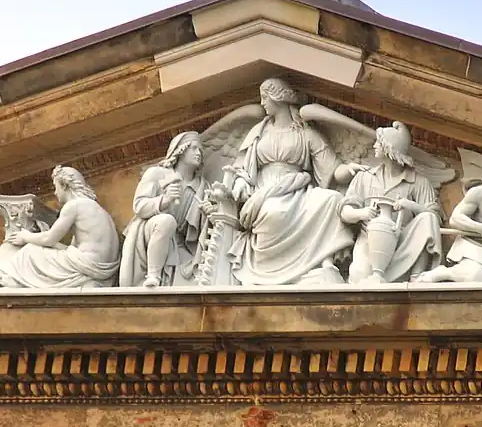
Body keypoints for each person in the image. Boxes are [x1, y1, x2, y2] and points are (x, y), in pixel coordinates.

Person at [226, 78, 366, 285]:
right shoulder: (258, 133)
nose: (262, 103)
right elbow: (240, 167)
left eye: (265, 97)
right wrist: (239, 182)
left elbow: (333, 168)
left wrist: (350, 169)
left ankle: (322, 260)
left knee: (333, 199)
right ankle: (269, 267)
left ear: (278, 98)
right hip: (266, 190)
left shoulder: (306, 133)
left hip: (297, 188)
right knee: (275, 211)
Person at [340, 121, 443, 283]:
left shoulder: (419, 182)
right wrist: (361, 213)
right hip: (370, 243)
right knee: (359, 277)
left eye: (378, 143)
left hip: (404, 245)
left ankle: (417, 276)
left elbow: (434, 219)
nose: (374, 146)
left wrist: (410, 205)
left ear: (389, 148)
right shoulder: (365, 177)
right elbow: (345, 212)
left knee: (427, 217)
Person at [0, 166, 120, 288]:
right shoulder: (97, 209)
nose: (55, 192)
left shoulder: (74, 205)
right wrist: (49, 243)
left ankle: (13, 280)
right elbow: (69, 250)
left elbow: (49, 238)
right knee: (43, 251)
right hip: (100, 267)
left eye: (56, 187)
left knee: (31, 252)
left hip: (88, 264)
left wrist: (26, 236)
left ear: (65, 186)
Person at [119, 131, 208, 287]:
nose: (198, 153)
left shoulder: (201, 186)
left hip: (179, 243)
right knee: (166, 221)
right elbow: (139, 206)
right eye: (193, 148)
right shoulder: (158, 174)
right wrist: (164, 201)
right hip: (150, 231)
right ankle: (153, 276)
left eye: (200, 149)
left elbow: (200, 228)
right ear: (180, 150)